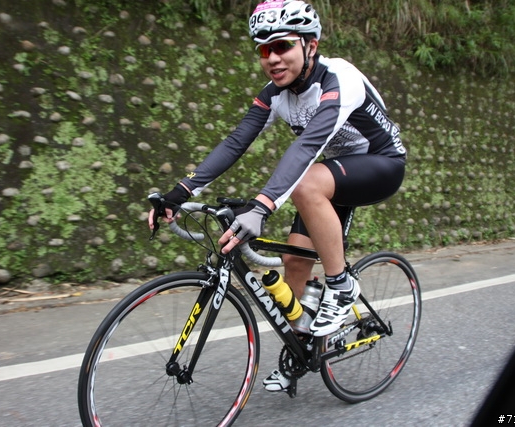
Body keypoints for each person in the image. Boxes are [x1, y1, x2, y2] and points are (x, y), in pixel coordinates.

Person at [148, 0, 406, 392]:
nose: (272, 58)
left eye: (282, 46)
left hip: (381, 163)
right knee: (294, 262)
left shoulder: (340, 79)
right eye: (264, 50)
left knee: (306, 184)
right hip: (331, 174)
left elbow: (307, 149)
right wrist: (179, 192)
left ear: (310, 46)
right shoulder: (275, 94)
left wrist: (263, 205)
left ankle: (341, 286)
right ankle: (301, 351)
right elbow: (235, 142)